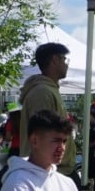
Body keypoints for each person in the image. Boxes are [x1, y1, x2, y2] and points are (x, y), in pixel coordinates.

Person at [20, 42, 75, 176]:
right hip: (46, 173)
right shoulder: (42, 92)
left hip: (55, 171)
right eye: (64, 59)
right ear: (55, 60)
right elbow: (43, 136)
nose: (66, 64)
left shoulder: (49, 89)